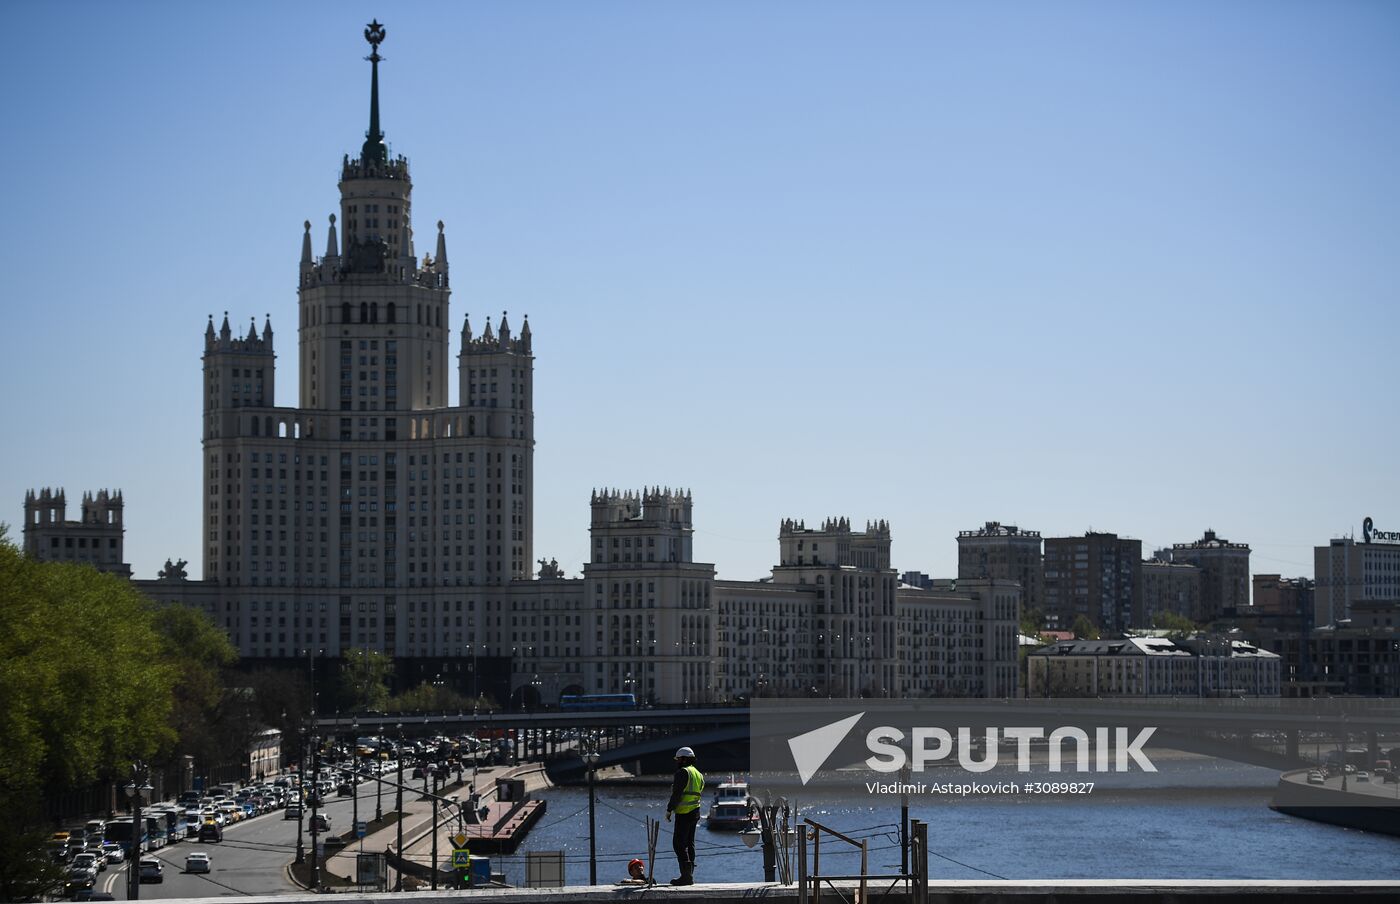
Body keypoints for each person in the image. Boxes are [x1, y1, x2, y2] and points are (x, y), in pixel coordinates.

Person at [664, 746, 704, 886]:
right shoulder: (698, 774)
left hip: (684, 813)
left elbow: (677, 793)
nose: (677, 762)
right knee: (690, 844)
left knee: (679, 844)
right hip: (695, 812)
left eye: (679, 759)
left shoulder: (682, 772)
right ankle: (690, 874)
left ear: (684, 759)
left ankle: (686, 876)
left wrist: (669, 809)